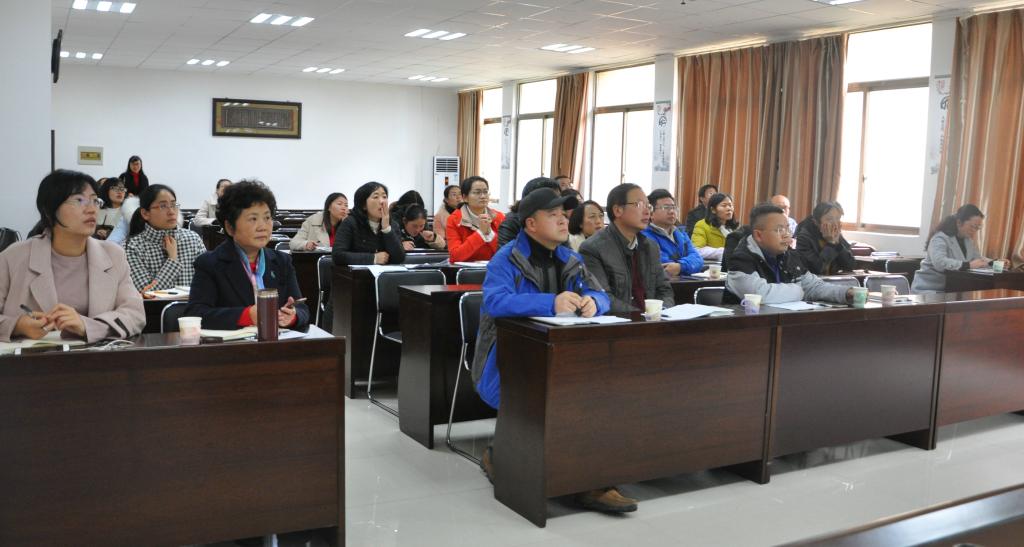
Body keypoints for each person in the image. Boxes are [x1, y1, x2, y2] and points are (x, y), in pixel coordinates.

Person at [472, 188, 635, 513]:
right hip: (507, 362)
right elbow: (495, 301)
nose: (563, 220)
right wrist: (551, 303)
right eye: (553, 215)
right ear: (531, 224)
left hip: (564, 360)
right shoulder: (505, 259)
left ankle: (591, 480)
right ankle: (508, 458)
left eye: (564, 214)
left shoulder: (570, 258)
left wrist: (594, 303)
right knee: (559, 399)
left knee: (600, 395)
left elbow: (599, 293)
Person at [0, 169, 144, 343]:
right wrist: (16, 325)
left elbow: (135, 314)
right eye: (79, 200)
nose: (91, 209)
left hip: (95, 357)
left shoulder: (113, 255)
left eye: (95, 201)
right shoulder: (14, 257)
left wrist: (88, 326)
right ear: (49, 211)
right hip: (30, 358)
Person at [185, 180, 309, 331]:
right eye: (253, 219)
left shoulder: (282, 261)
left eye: (267, 218)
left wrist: (293, 316)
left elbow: (302, 308)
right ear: (230, 227)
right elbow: (196, 314)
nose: (263, 227)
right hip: (234, 344)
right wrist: (246, 316)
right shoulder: (210, 263)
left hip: (277, 341)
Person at [725, 203, 853, 305]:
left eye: (787, 228)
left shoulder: (789, 255)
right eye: (779, 230)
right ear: (758, 235)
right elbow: (760, 295)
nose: (787, 235)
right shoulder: (741, 259)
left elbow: (814, 286)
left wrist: (846, 293)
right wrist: (799, 290)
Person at [580, 183, 674, 313]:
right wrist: (641, 316)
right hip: (620, 323)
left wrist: (662, 312)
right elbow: (603, 297)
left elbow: (664, 289)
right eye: (639, 204)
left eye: (648, 206)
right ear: (618, 210)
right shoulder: (593, 248)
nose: (647, 211)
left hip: (652, 321)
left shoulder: (650, 246)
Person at [124, 184, 206, 293]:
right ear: (145, 213)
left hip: (194, 304)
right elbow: (147, 295)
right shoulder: (132, 246)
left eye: (173, 205)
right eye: (163, 206)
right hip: (154, 305)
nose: (171, 212)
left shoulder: (193, 239)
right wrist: (172, 260)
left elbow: (208, 283)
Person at [912, 204, 992, 294]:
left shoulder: (968, 241)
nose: (974, 230)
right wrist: (967, 265)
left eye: (978, 228)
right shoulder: (940, 238)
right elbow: (939, 263)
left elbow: (977, 259)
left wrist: (994, 263)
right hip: (929, 289)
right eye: (972, 226)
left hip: (952, 288)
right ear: (959, 223)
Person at [332, 181, 406, 265]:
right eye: (376, 197)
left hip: (385, 273)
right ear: (364, 205)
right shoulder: (350, 222)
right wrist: (373, 258)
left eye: (384, 197)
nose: (382, 201)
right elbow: (338, 255)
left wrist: (386, 229)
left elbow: (399, 258)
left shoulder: (392, 224)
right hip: (357, 273)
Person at [498, 177, 576, 247]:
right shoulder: (512, 222)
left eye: (558, 198)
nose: (564, 221)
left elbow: (567, 252)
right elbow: (508, 252)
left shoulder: (558, 226)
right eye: (553, 214)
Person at [642, 189, 704, 277]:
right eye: (666, 207)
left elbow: (698, 259)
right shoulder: (645, 236)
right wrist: (688, 265)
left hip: (686, 282)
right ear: (651, 214)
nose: (671, 211)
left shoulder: (681, 234)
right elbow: (664, 266)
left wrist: (680, 266)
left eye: (673, 207)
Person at [447, 176, 506, 262]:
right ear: (465, 197)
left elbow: (506, 253)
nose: (483, 196)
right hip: (466, 269)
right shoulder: (454, 220)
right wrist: (480, 233)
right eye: (477, 192)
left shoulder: (499, 217)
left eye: (485, 192)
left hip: (494, 267)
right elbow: (455, 256)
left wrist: (489, 233)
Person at [795, 201, 856, 276]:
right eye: (829, 219)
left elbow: (850, 266)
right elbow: (817, 269)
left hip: (834, 280)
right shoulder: (804, 238)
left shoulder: (836, 235)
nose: (835, 223)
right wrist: (831, 243)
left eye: (838, 218)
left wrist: (837, 244)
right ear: (816, 222)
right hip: (814, 281)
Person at [691, 193, 738, 261]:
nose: (729, 208)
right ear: (713, 209)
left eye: (730, 205)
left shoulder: (735, 228)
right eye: (724, 205)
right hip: (712, 265)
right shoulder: (702, 225)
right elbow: (697, 250)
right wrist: (722, 252)